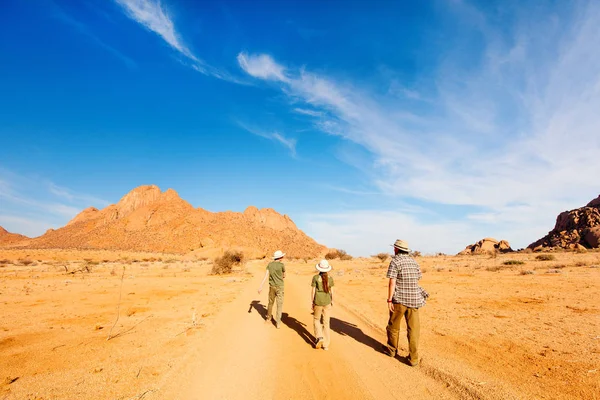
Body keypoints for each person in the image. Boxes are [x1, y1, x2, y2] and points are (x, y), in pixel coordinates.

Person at [384, 239, 429, 366]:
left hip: (399, 300)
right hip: (414, 299)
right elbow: (419, 278)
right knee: (413, 329)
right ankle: (413, 358)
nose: (394, 249)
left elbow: (392, 282)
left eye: (394, 248)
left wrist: (389, 299)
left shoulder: (395, 261)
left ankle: (392, 350)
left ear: (397, 249)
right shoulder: (414, 262)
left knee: (393, 326)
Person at [258, 250, 286, 328]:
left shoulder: (269, 265)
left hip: (272, 287)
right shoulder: (282, 265)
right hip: (280, 286)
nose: (283, 257)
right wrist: (281, 276)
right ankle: (278, 323)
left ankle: (268, 318)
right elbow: (284, 275)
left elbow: (266, 276)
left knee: (270, 303)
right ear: (280, 257)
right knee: (279, 304)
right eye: (282, 256)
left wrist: (261, 286)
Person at [311, 259, 334, 350]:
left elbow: (313, 291)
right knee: (326, 322)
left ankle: (319, 336)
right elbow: (332, 291)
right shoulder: (330, 279)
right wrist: (332, 301)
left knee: (316, 319)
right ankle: (326, 344)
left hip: (318, 301)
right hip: (327, 301)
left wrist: (312, 301)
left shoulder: (315, 278)